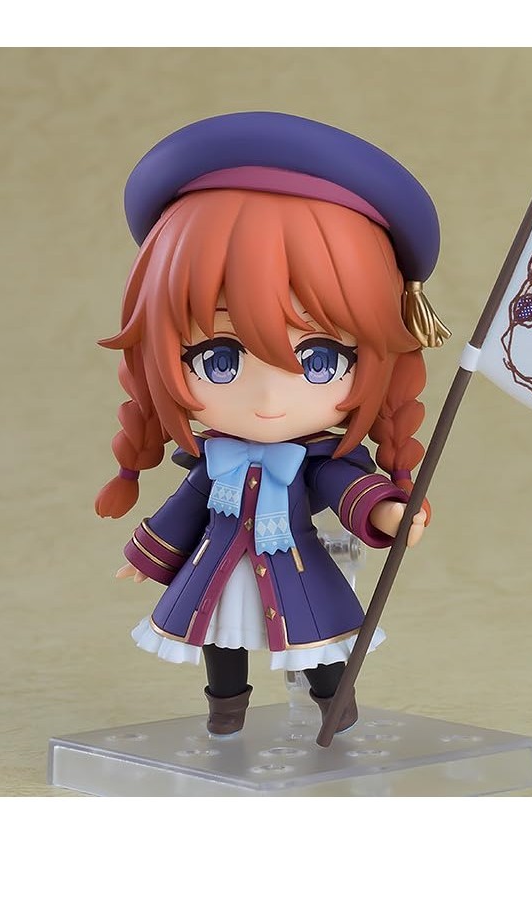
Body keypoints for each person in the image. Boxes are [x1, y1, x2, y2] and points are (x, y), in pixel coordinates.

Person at [94, 112, 447, 744]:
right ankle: (226, 709)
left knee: (321, 641)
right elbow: (185, 508)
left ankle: (335, 705)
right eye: (218, 359)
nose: (266, 397)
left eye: (319, 360)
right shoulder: (216, 459)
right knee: (219, 639)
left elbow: (347, 486)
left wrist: (388, 512)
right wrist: (148, 557)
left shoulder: (315, 459)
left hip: (298, 568)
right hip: (216, 566)